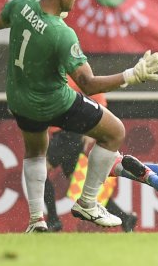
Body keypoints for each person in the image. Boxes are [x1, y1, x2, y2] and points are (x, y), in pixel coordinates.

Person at [0, 0, 158, 232]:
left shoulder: (22, 3)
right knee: (114, 132)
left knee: (36, 151)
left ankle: (37, 219)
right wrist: (131, 74)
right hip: (53, 102)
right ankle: (88, 203)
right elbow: (88, 84)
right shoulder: (61, 33)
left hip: (19, 100)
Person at [44, 76, 138, 233]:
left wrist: (92, 130)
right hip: (61, 134)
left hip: (69, 133)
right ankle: (125, 217)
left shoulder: (71, 73)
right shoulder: (53, 76)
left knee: (40, 170)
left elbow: (98, 97)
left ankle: (53, 220)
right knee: (81, 185)